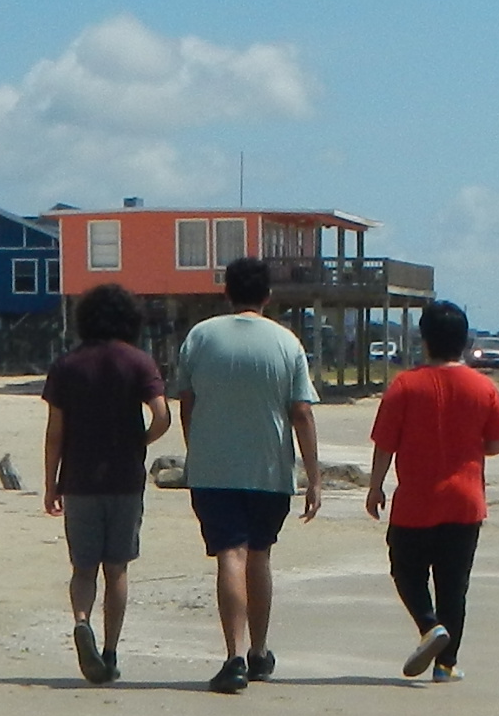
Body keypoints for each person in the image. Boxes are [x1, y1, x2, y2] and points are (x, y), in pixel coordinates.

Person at [167, 254, 320, 692]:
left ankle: (233, 656)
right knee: (259, 554)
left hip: (214, 469)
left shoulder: (201, 336)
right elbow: (301, 412)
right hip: (270, 469)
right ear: (268, 295)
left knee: (229, 555)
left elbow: (187, 402)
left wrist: (196, 450)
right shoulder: (287, 342)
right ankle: (259, 651)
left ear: (227, 292)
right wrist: (313, 477)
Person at [366, 296, 499, 681]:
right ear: (464, 341)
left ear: (424, 339)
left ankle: (429, 625)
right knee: (453, 585)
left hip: (416, 500)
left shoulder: (405, 386)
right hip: (465, 501)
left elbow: (385, 443)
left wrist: (375, 487)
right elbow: (498, 443)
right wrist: (468, 447)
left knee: (406, 572)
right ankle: (446, 666)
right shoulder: (483, 387)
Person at [40, 280, 169, 685]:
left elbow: (54, 433)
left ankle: (82, 622)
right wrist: (140, 440)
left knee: (83, 568)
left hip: (79, 480)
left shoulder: (67, 365)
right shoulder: (138, 362)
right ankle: (110, 652)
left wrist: (50, 483)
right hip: (125, 478)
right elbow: (162, 415)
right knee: (117, 569)